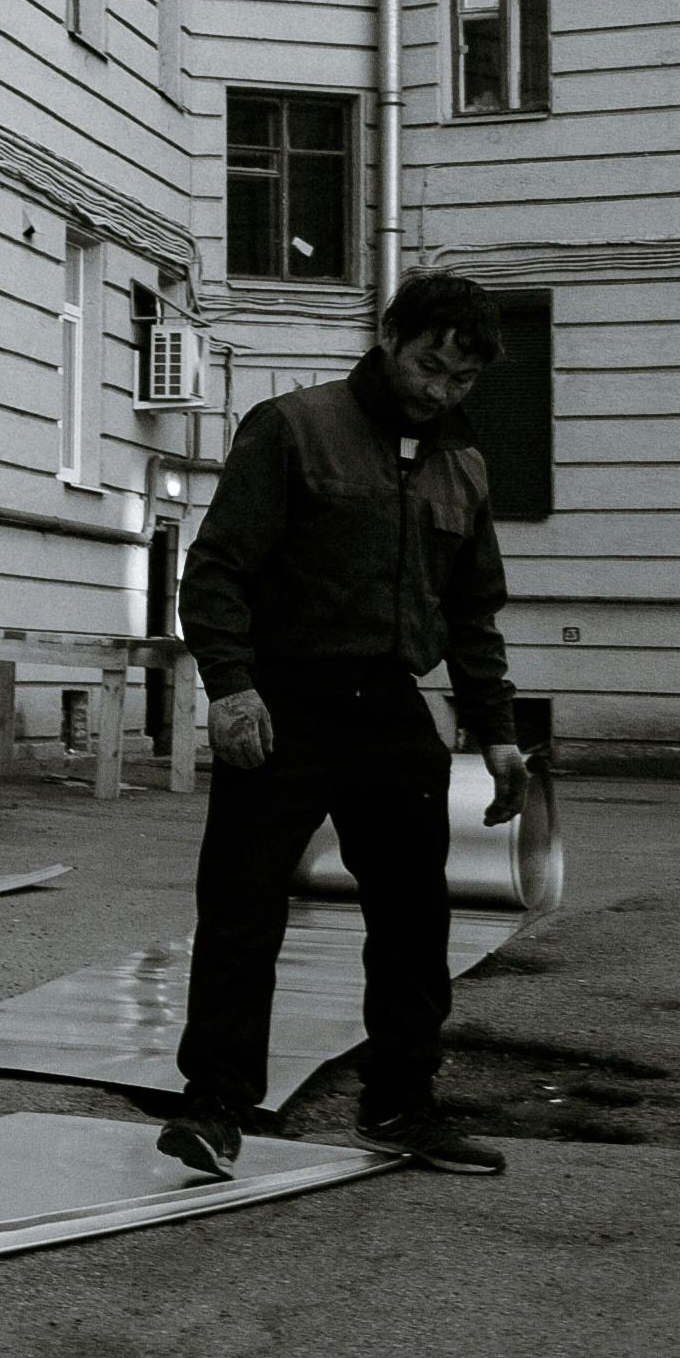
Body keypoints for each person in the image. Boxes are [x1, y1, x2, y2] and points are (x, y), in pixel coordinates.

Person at [167, 267, 529, 1183]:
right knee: (243, 908)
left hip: (391, 709)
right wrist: (232, 688)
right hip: (283, 701)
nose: (439, 391)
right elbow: (216, 573)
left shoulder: (463, 464)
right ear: (390, 336)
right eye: (428, 367)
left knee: (415, 919)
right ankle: (215, 1107)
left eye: (461, 379)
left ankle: (401, 1105)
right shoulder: (294, 427)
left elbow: (473, 612)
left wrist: (497, 732)